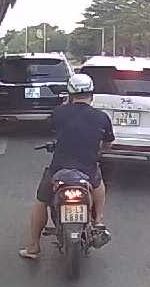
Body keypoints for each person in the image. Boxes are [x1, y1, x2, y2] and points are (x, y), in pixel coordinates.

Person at [20, 73, 113, 260]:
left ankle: (33, 247)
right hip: (87, 171)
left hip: (59, 170)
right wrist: (99, 151)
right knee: (99, 184)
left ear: (70, 94)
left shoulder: (59, 113)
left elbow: (50, 129)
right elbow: (108, 143)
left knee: (41, 201)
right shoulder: (102, 117)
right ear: (91, 94)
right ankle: (98, 221)